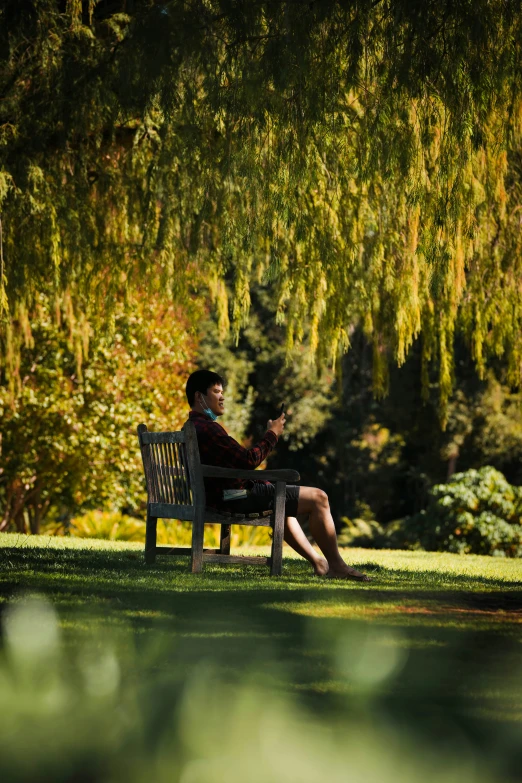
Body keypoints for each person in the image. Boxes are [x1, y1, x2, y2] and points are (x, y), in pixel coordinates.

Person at [185, 369, 371, 582]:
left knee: (282, 500)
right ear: (200, 396)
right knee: (319, 498)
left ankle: (320, 563)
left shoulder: (193, 426)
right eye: (217, 391)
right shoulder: (209, 430)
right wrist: (272, 434)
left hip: (220, 496)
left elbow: (235, 465)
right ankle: (337, 566)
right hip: (233, 497)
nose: (222, 397)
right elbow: (248, 460)